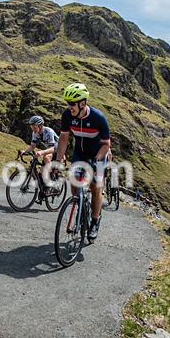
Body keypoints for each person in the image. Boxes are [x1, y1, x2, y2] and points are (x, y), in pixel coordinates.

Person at [54, 83, 110, 241]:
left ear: (82, 104)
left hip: (98, 153)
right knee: (74, 182)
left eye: (72, 104)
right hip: (80, 151)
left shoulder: (98, 118)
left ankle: (94, 221)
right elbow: (64, 139)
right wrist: (58, 161)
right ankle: (79, 206)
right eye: (67, 103)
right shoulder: (67, 115)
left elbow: (106, 145)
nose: (69, 107)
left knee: (95, 186)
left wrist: (96, 161)